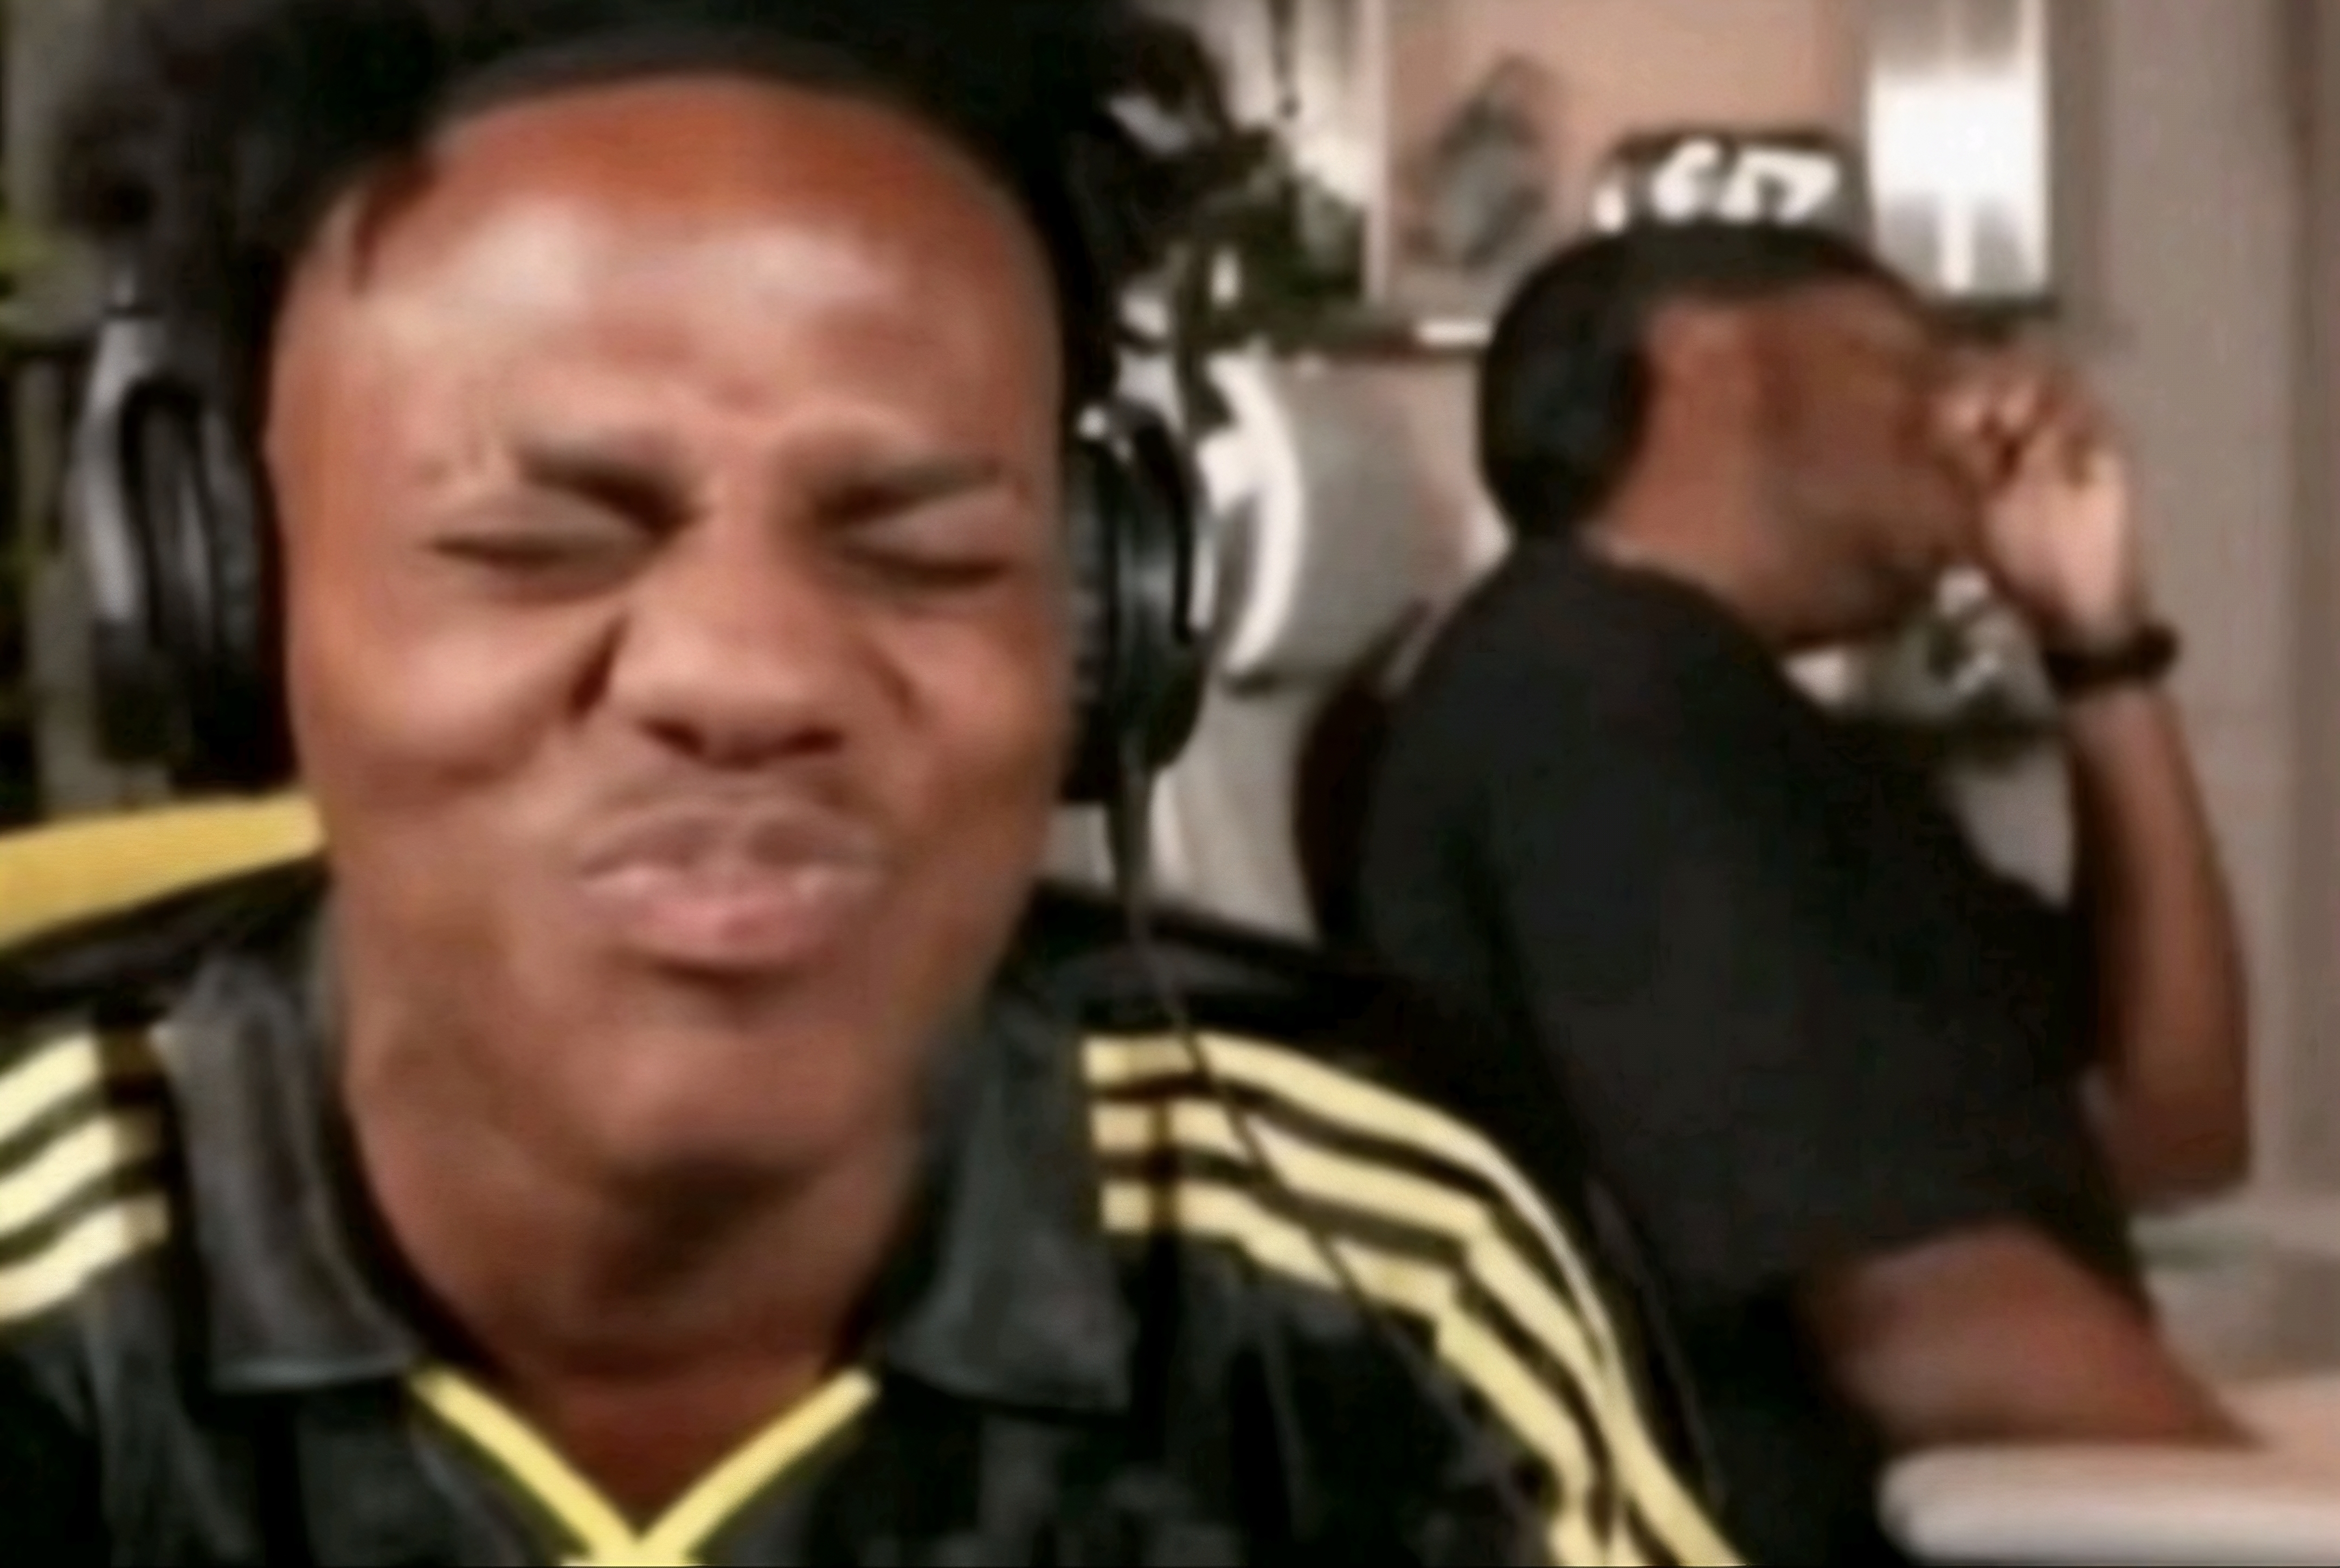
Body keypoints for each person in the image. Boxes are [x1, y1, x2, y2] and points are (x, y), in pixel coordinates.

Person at [0, 3, 1738, 1562]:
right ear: (227, 598)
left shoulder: (1378, 1287)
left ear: (1111, 616)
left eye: (925, 552)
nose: (746, 674)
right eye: (532, 543)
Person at [1357, 222, 2252, 1563]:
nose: (1964, 422)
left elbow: (2169, 1122)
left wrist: (2099, 644)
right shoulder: (1587, 694)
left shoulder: (1751, 729)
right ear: (1701, 355)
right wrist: (2272, 1518)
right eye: (1905, 363)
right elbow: (1935, 1332)